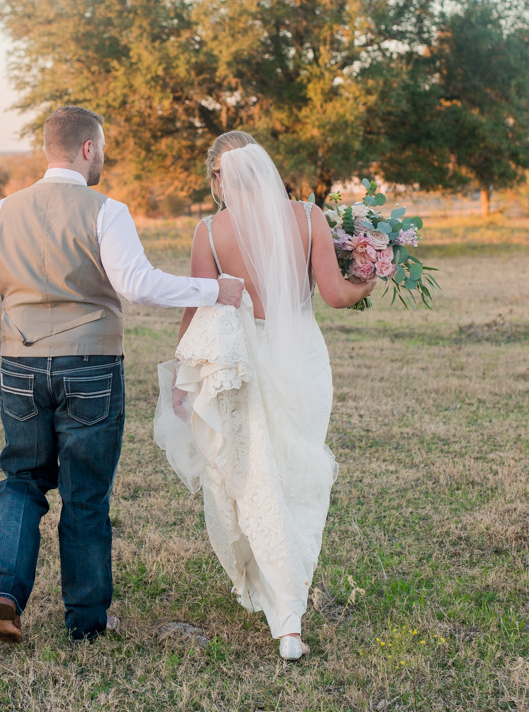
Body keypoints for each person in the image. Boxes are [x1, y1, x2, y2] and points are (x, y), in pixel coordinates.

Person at [0, 106, 244, 644]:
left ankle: (6, 594)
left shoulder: (2, 212)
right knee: (85, 495)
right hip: (92, 369)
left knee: (21, 480)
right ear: (88, 149)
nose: (103, 157)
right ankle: (86, 620)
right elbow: (138, 284)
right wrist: (212, 290)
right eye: (102, 148)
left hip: (21, 366)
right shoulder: (107, 210)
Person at [153, 132, 376, 661]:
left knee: (257, 477)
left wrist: (185, 379)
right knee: (296, 473)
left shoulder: (209, 232)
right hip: (301, 358)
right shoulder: (308, 217)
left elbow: (197, 310)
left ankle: (287, 615)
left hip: (241, 362)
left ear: (218, 178)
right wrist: (371, 274)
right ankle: (289, 615)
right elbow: (338, 296)